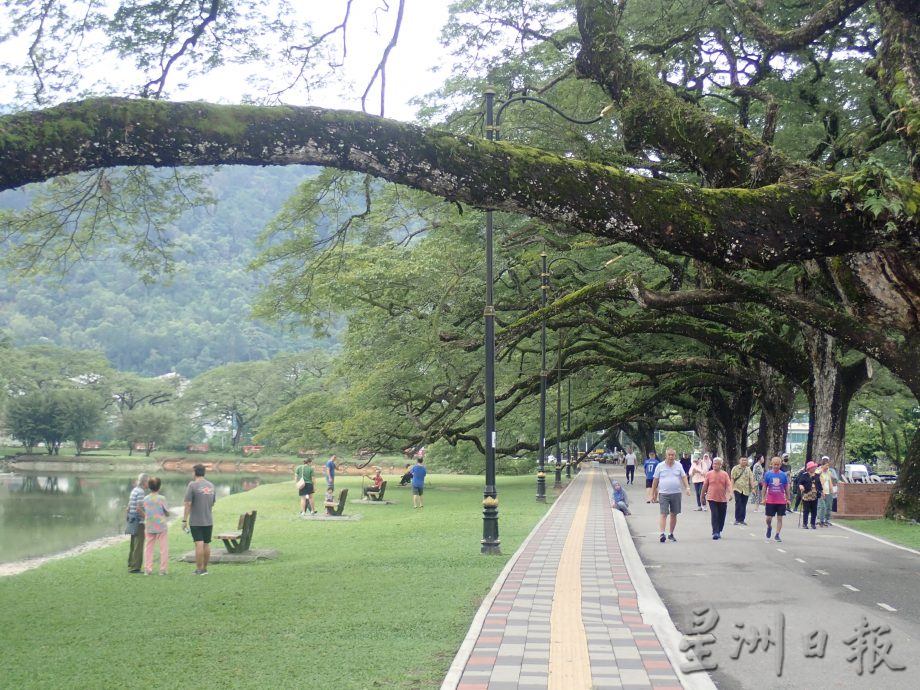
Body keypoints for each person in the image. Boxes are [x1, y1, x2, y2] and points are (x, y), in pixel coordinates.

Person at [651, 448, 692, 543]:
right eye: (669, 455)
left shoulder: (679, 465)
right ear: (666, 455)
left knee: (674, 514)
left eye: (672, 455)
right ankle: (662, 534)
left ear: (675, 456)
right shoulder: (660, 466)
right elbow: (655, 481)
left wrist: (687, 488)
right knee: (663, 513)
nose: (671, 457)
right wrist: (653, 494)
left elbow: (684, 476)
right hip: (664, 493)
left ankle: (671, 533)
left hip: (676, 493)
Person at [183, 464, 216, 576]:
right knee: (206, 544)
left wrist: (184, 520)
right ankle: (205, 569)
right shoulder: (211, 486)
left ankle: (198, 569)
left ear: (195, 472)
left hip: (196, 520)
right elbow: (212, 503)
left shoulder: (192, 485)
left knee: (199, 544)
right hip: (208, 520)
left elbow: (188, 503)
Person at [142, 477, 169, 576]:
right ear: (159, 487)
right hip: (161, 526)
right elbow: (167, 512)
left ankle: (147, 569)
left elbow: (145, 510)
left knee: (148, 548)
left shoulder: (145, 499)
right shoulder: (162, 499)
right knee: (163, 548)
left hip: (149, 525)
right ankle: (163, 570)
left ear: (149, 487)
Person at [701, 457, 733, 540]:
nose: (714, 465)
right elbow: (705, 486)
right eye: (714, 463)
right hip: (711, 498)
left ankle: (719, 530)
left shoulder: (724, 474)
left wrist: (730, 494)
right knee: (714, 514)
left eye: (716, 463)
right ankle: (715, 532)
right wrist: (702, 497)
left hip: (722, 498)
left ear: (720, 465)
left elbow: (729, 485)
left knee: (722, 516)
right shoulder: (709, 474)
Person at [762, 456, 789, 543]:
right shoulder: (768, 474)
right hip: (770, 500)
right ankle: (769, 527)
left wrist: (788, 498)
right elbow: (764, 487)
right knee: (768, 518)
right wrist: (763, 498)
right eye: (775, 464)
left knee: (780, 518)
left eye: (778, 464)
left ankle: (777, 534)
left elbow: (786, 487)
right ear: (772, 464)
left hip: (781, 500)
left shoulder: (783, 475)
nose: (776, 466)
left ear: (780, 465)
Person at [126, 473, 148, 574]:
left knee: (133, 543)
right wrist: (147, 518)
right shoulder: (141, 492)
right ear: (144, 481)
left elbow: (128, 507)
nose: (149, 483)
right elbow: (139, 508)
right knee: (139, 544)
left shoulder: (134, 490)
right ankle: (136, 567)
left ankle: (131, 563)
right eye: (148, 481)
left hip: (132, 519)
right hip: (138, 521)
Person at [730, 456, 756, 526]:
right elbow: (732, 479)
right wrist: (731, 489)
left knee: (744, 504)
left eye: (745, 460)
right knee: (738, 503)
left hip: (746, 489)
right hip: (737, 488)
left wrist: (753, 489)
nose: (744, 461)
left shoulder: (748, 469)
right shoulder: (735, 468)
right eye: (743, 460)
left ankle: (742, 519)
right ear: (739, 461)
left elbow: (751, 479)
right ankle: (737, 519)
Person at [797, 461, 823, 529]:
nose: (814, 468)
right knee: (806, 510)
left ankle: (813, 524)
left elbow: (819, 484)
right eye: (813, 467)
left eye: (815, 467)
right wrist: (801, 486)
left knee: (814, 510)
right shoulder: (804, 475)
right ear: (809, 468)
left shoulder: (817, 475)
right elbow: (799, 482)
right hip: (806, 495)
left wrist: (821, 491)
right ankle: (805, 524)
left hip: (814, 495)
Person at [816, 457, 835, 527]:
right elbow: (819, 482)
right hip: (821, 491)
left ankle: (827, 520)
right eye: (826, 465)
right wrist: (822, 491)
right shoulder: (819, 472)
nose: (827, 467)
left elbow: (830, 481)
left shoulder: (828, 472)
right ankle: (821, 520)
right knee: (822, 506)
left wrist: (832, 490)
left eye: (828, 466)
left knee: (829, 506)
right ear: (822, 465)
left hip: (828, 491)